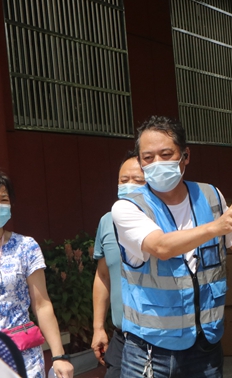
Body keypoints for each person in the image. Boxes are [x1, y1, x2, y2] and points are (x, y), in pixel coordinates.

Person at [111, 115, 232, 378]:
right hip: (150, 351)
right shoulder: (128, 207)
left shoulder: (210, 196)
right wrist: (215, 227)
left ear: (185, 156)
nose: (157, 163)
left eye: (166, 154)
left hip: (205, 347)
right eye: (148, 158)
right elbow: (161, 247)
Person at [0, 168, 74, 378]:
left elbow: (42, 304)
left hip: (23, 355)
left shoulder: (26, 246)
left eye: (4, 200)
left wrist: (59, 356)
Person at [91, 151, 145, 377]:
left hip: (161, 340)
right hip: (123, 338)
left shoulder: (165, 221)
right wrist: (98, 327)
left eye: (138, 180)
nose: (129, 185)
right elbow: (103, 275)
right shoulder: (107, 221)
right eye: (124, 180)